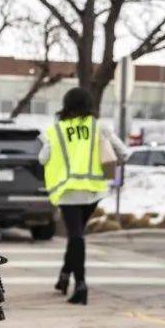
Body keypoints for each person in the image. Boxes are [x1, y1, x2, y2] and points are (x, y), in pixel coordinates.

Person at [39, 87, 125, 305]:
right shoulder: (98, 128)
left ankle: (81, 285)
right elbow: (123, 153)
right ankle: (65, 275)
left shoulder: (56, 131)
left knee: (75, 236)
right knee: (76, 236)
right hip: (93, 192)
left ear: (66, 105)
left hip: (68, 192)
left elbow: (42, 158)